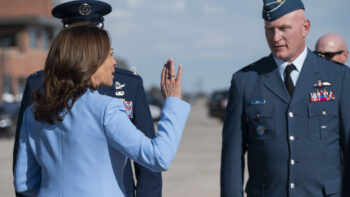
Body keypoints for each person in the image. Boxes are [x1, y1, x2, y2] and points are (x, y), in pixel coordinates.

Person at [13, 24, 190, 197]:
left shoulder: (33, 112)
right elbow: (159, 157)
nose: (114, 62)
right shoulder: (107, 109)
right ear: (90, 60)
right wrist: (173, 101)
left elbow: (24, 182)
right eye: (110, 55)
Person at [221, 0, 350, 197]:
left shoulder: (338, 78)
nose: (276, 37)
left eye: (283, 28)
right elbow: (232, 157)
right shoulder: (246, 82)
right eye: (269, 29)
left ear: (305, 27)